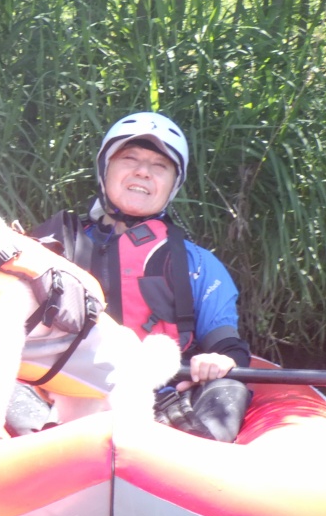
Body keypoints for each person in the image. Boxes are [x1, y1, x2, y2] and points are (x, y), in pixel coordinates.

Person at [32, 111, 251, 441]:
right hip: (58, 393)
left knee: (230, 389)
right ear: (104, 170)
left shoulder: (198, 265)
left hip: (162, 401)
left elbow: (228, 347)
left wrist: (218, 361)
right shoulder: (47, 250)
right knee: (9, 389)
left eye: (159, 166)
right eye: (129, 158)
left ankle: (180, 457)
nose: (143, 171)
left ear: (172, 185)